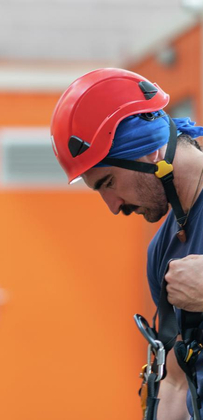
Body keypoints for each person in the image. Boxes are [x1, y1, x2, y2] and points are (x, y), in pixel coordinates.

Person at [50, 67, 203, 419]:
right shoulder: (162, 254)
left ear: (149, 151)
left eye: (108, 182)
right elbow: (177, 383)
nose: (113, 206)